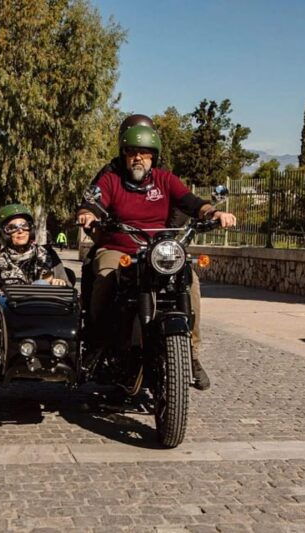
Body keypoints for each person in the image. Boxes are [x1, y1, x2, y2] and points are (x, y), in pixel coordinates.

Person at [76, 122, 236, 391]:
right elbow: (93, 203)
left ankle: (192, 354)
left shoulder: (165, 180)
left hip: (157, 252)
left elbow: (193, 203)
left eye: (145, 152)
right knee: (104, 276)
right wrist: (89, 214)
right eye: (132, 152)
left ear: (154, 156)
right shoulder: (111, 179)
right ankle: (98, 341)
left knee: (190, 282)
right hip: (119, 247)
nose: (138, 157)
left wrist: (214, 213)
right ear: (124, 154)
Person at [0, 203, 70, 289]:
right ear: (3, 234)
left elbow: (66, 286)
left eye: (24, 225)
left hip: (46, 301)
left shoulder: (49, 255)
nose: (20, 230)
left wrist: (59, 282)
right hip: (11, 302)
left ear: (31, 230)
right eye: (12, 227)